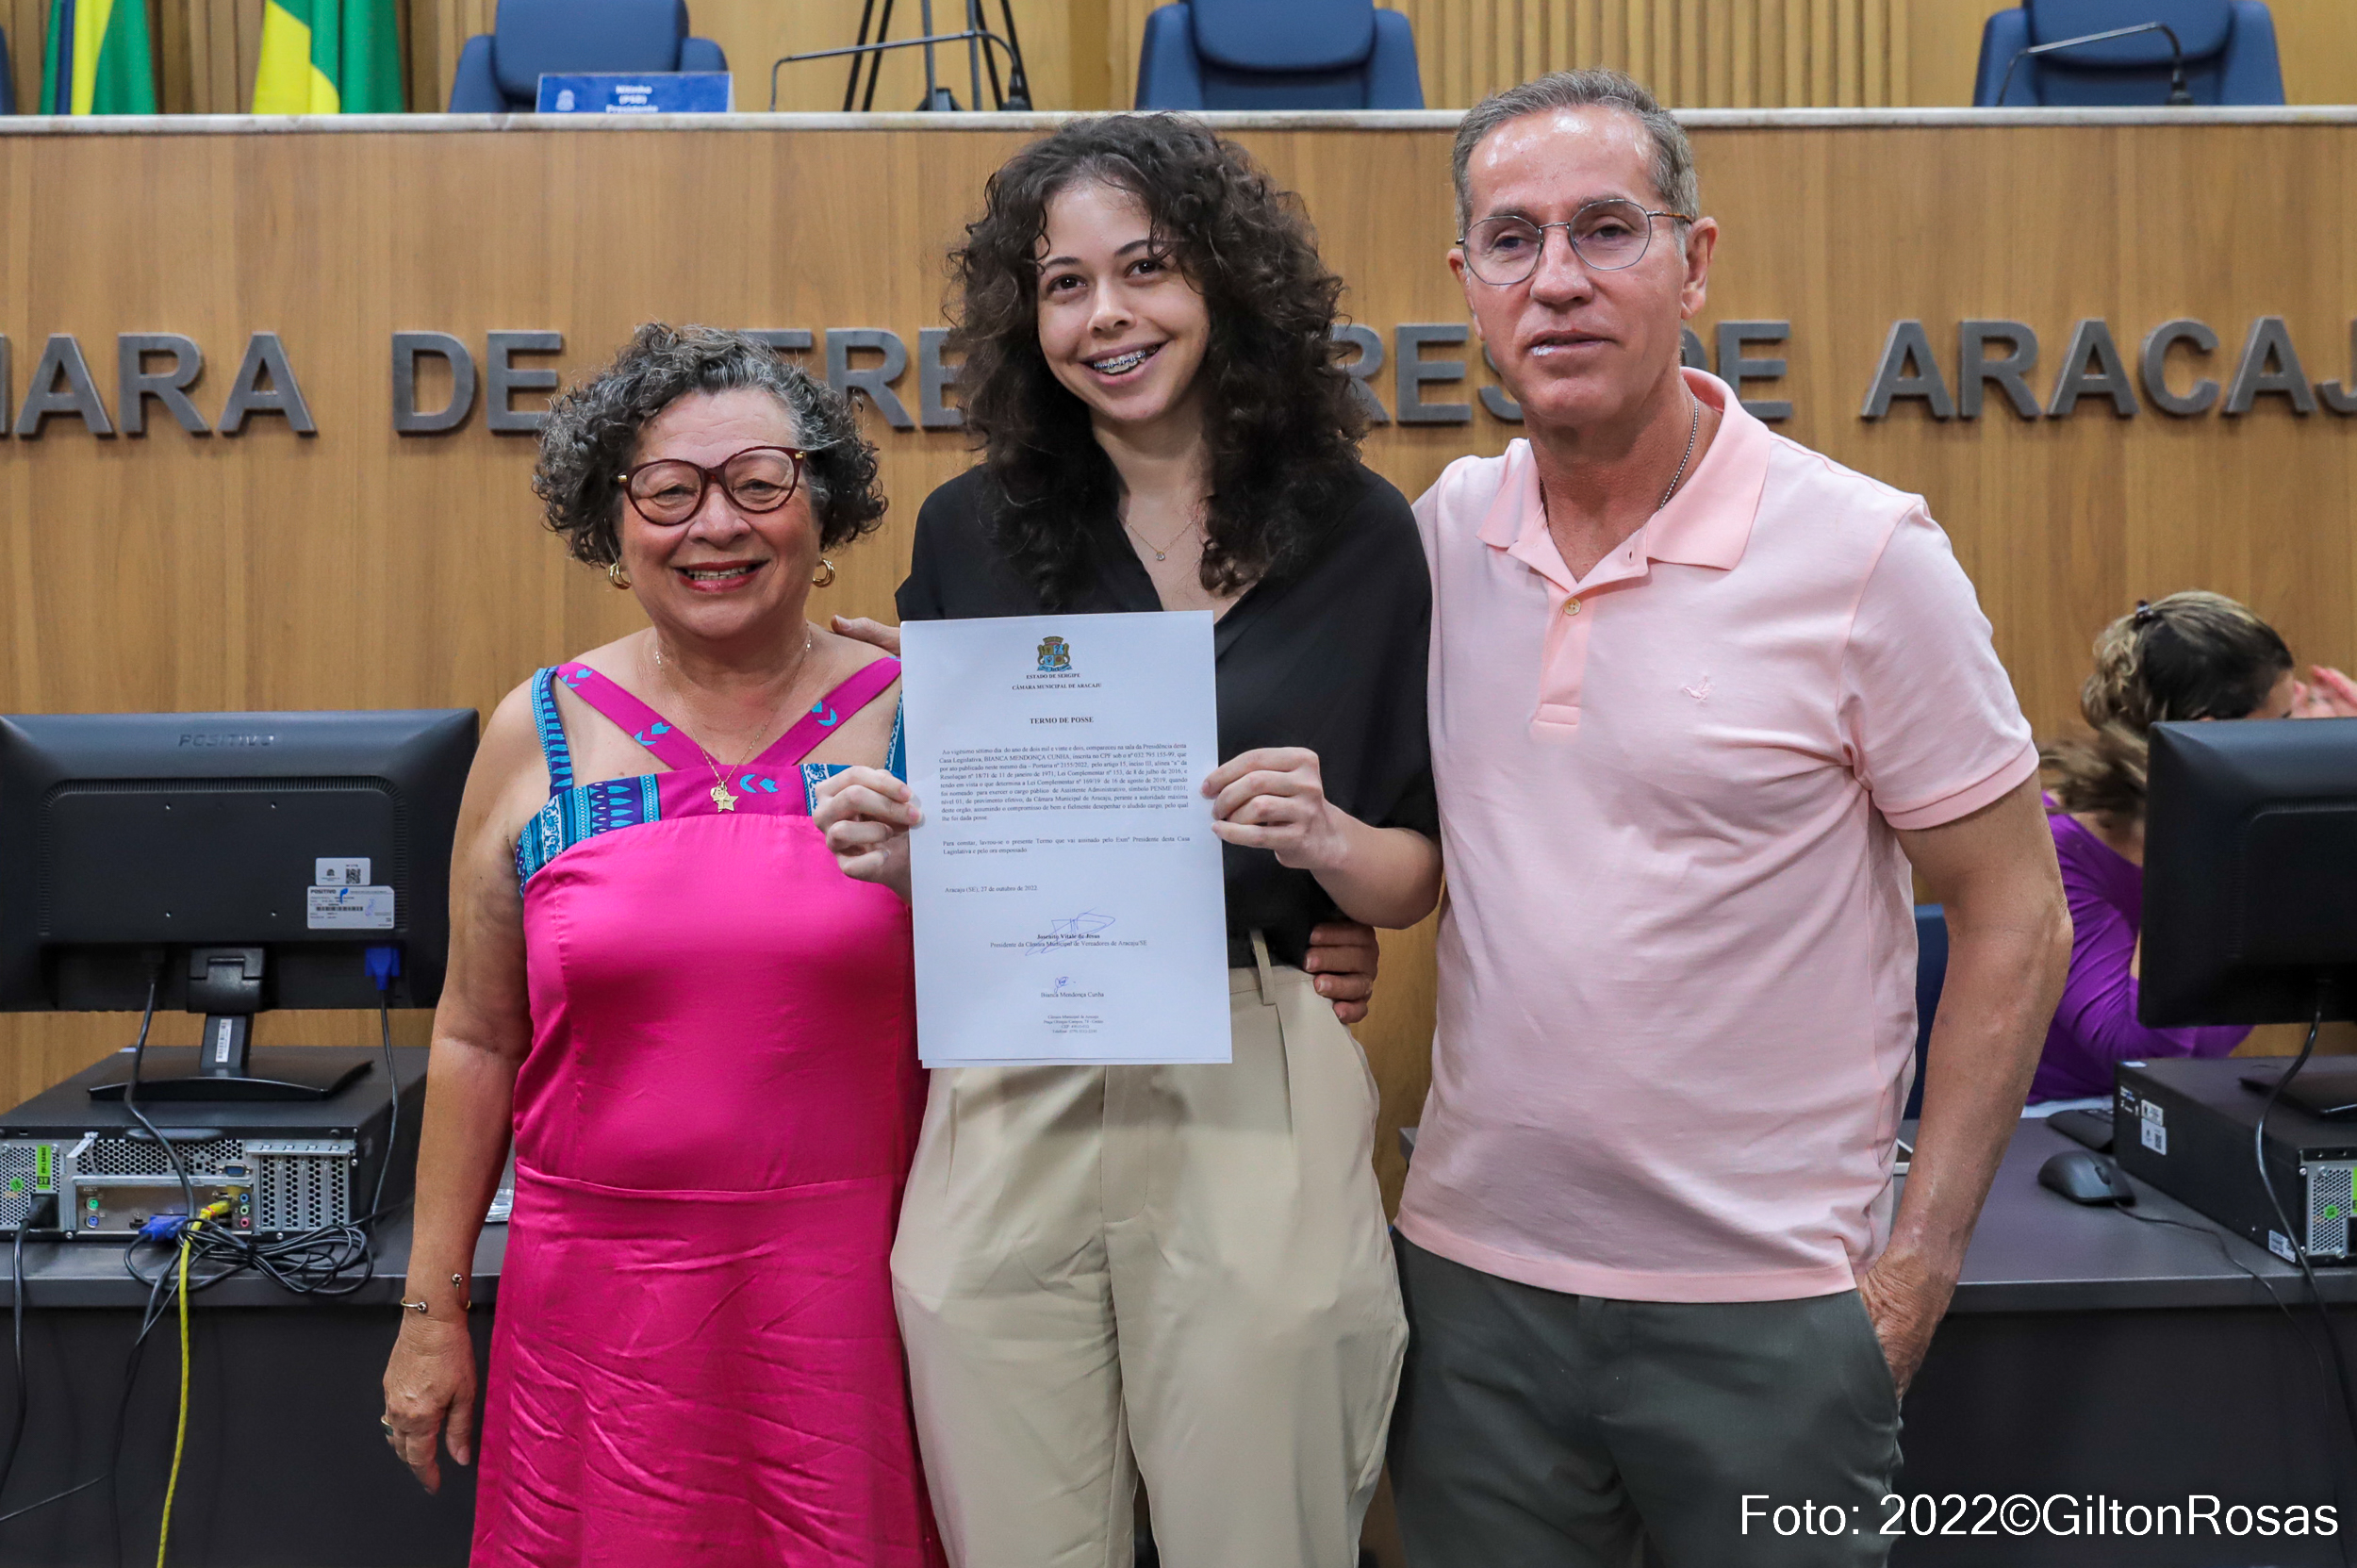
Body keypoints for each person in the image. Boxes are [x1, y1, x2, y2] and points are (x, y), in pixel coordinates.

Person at [1385, 71, 2073, 1568]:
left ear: (1693, 262)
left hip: (1775, 1312)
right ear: (1468, 286)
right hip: (1478, 1294)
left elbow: (2018, 911)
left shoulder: (1866, 553)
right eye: (1512, 240)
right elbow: (1394, 833)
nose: (1557, 279)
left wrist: (1915, 1272)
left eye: (1605, 229)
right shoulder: (1438, 538)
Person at [814, 115, 1442, 1568]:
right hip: (1015, 1064)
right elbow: (960, 828)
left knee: (1261, 1531)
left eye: (1146, 268)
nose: (1107, 315)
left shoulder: (1359, 531)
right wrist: (898, 842)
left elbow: (1414, 874)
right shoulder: (972, 530)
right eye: (1064, 284)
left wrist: (1328, 835)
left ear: (1223, 279)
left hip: (1255, 1052)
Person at [377, 324, 947, 1565]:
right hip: (599, 1317)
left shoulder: (931, 715)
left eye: (759, 482)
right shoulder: (537, 730)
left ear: (823, 505)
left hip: (865, 1298)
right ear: (612, 522)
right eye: (669, 490)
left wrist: (1304, 921)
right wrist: (430, 1310)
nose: (716, 524)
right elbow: (475, 1036)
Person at [2032, 592, 2357, 1106]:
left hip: (2194, 1100)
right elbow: (2141, 1052)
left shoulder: (2254, 825)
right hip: (2061, 1119)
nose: (2296, 736)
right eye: (2282, 719)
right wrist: (2186, 830)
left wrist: (2341, 782)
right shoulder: (2053, 848)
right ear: (2215, 733)